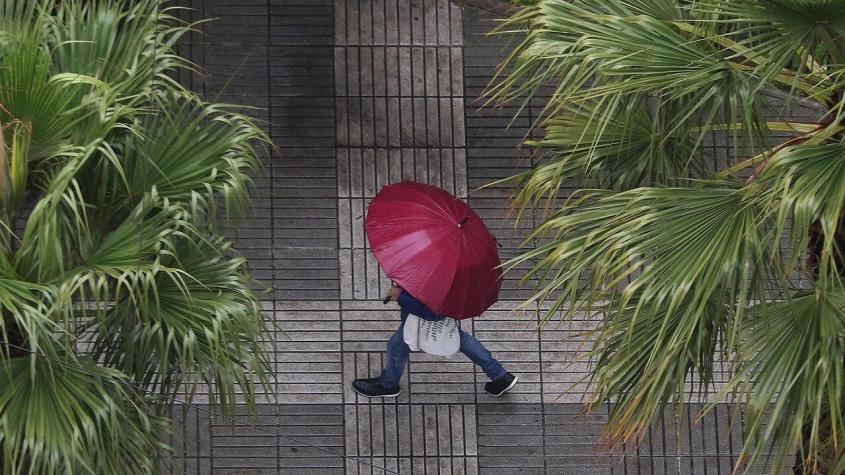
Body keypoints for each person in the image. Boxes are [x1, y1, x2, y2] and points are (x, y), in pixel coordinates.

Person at [352, 284, 518, 398]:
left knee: (397, 347)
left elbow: (433, 313)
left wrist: (400, 296)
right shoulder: (452, 265)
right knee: (461, 339)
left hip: (422, 318)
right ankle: (500, 376)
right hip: (437, 313)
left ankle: (388, 385)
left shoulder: (437, 271)